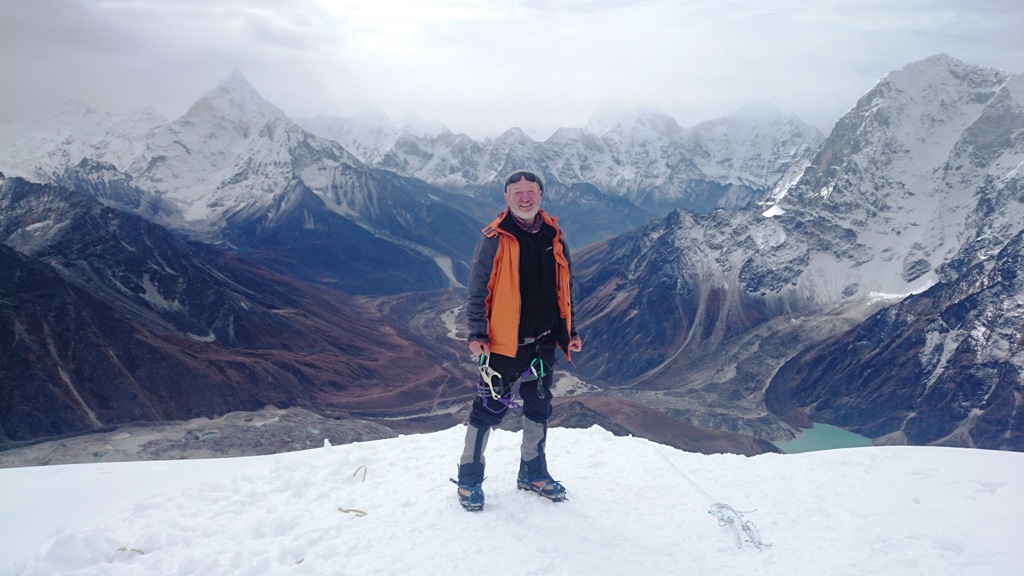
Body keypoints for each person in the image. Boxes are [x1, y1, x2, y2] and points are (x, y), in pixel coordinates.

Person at [451, 168, 583, 512]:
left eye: (531, 191)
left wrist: (569, 334)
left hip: (542, 342)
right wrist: (478, 333)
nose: (525, 198)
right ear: (506, 198)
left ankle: (532, 472)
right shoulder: (496, 238)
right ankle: (469, 479)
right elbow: (478, 290)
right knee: (487, 409)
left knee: (539, 406)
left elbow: (564, 289)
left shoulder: (553, 235)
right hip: (503, 344)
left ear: (541, 195)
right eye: (518, 193)